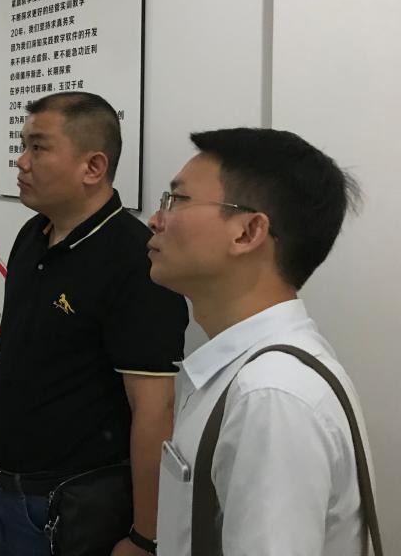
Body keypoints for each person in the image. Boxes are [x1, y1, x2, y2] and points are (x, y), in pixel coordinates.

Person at [0, 92, 188, 556]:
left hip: (69, 511)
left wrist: (145, 536)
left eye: (37, 147)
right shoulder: (34, 234)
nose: (21, 161)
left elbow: (154, 410)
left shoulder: (135, 262)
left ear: (93, 167)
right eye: (22, 145)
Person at [148, 128, 377, 555]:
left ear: (248, 232)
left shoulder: (271, 396)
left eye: (176, 200)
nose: (155, 220)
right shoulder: (253, 377)